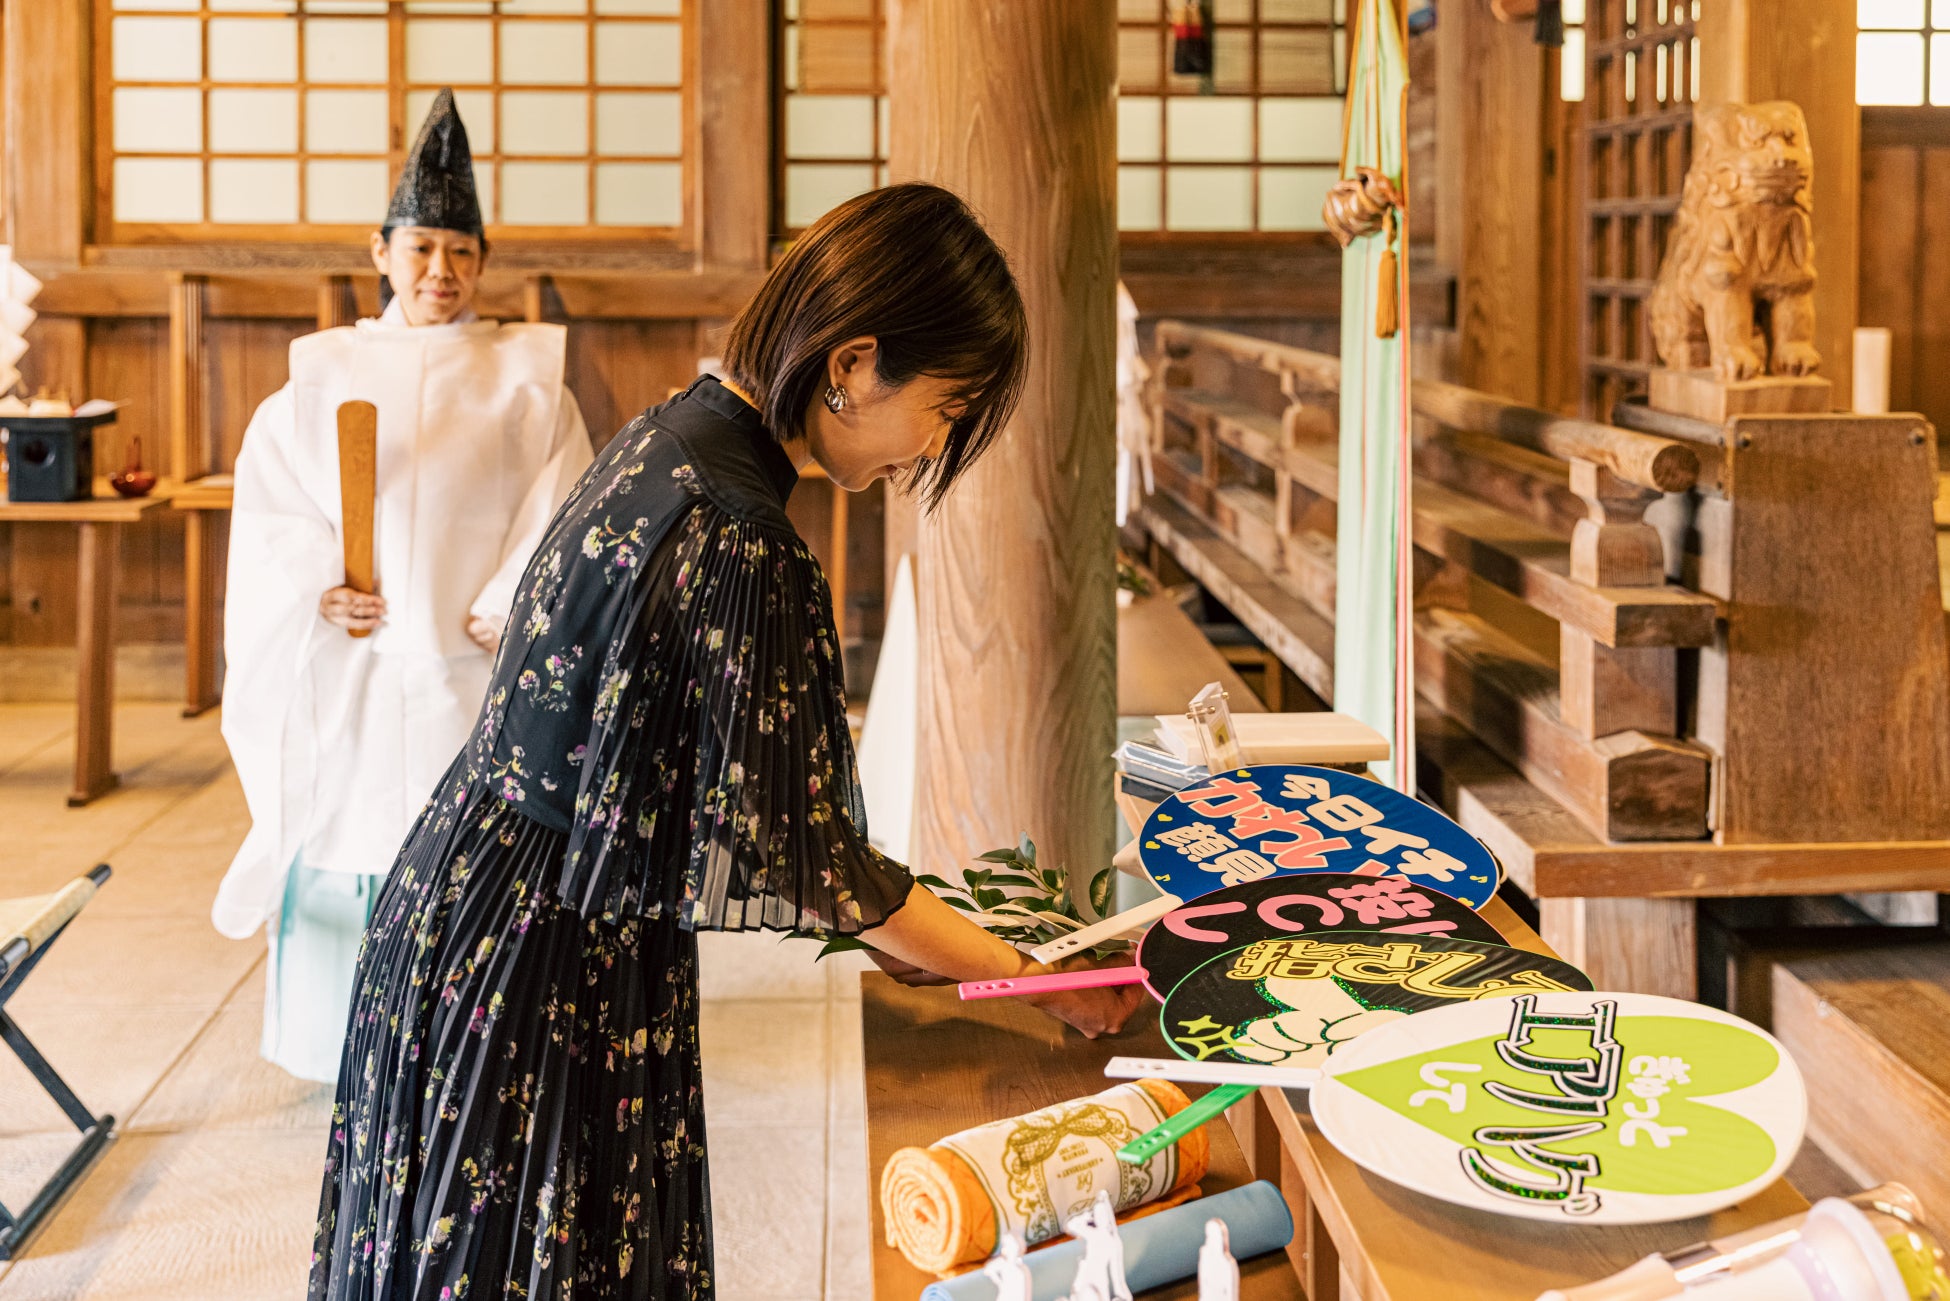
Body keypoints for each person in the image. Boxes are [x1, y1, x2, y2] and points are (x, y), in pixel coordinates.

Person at [307, 182, 1142, 1300]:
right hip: (541, 953)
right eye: (944, 408)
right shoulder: (743, 535)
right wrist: (1034, 981)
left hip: (462, 891)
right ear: (852, 363)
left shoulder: (672, 434)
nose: (933, 447)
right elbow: (813, 865)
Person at [211, 89, 593, 1084]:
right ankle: (344, 1045)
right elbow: (276, 506)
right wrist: (317, 585)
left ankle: (477, 1050)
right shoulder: (320, 374)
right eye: (421, 248)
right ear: (380, 252)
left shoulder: (525, 377)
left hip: (478, 658)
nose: (441, 271)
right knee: (352, 820)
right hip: (358, 664)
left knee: (479, 837)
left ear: (483, 261)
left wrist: (516, 592)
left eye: (461, 251)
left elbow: (564, 502)